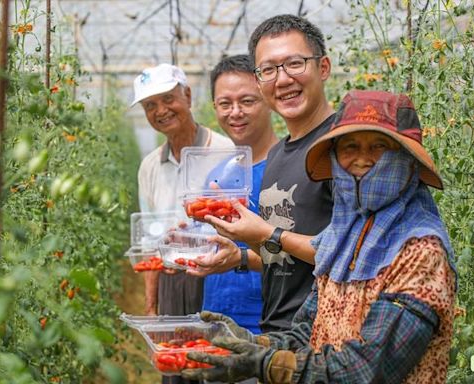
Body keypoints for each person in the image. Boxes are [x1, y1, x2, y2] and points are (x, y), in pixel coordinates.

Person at [181, 90, 457, 384]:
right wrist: (253, 344)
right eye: (350, 146)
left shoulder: (420, 251)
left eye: (379, 146)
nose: (362, 159)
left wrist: (266, 364)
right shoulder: (342, 236)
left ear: (408, 160)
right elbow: (309, 329)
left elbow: (366, 369)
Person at [200, 14, 335, 333]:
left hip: (325, 340)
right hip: (276, 336)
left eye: (295, 63)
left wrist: (263, 234)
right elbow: (285, 260)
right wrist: (242, 251)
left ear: (323, 67)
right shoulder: (278, 156)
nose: (283, 79)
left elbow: (354, 253)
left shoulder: (343, 145)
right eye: (269, 70)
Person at [132, 63, 233, 384]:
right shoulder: (149, 166)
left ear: (187, 96)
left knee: (218, 369)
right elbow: (150, 242)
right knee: (176, 370)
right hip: (172, 280)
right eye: (150, 105)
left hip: (218, 277)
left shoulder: (225, 152)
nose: (160, 111)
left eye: (168, 99)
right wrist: (152, 309)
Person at [188, 54, 278, 337]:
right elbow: (213, 243)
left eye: (247, 101)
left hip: (267, 330)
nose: (235, 112)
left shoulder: (289, 168)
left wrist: (241, 257)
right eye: (225, 104)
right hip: (217, 321)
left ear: (268, 99)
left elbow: (308, 258)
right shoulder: (219, 174)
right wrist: (187, 240)